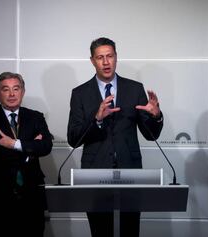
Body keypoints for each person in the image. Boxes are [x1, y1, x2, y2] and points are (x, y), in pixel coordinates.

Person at [67, 37, 164, 237]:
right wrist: (97, 119)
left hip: (130, 173)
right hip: (94, 175)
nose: (105, 62)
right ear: (92, 61)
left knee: (130, 231)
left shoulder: (134, 89)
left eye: (109, 56)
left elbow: (150, 134)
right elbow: (73, 138)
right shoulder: (80, 93)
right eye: (100, 57)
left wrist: (156, 116)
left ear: (116, 57)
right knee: (100, 232)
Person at [0, 72, 53, 237]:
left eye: (16, 89)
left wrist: (14, 144)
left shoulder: (36, 117)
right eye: (6, 89)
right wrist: (31, 148)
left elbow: (45, 147)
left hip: (32, 195)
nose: (11, 94)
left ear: (23, 92)